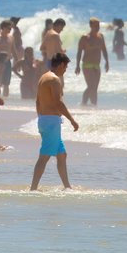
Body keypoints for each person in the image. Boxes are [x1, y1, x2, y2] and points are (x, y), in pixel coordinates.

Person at [30, 52, 79, 191]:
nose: (65, 70)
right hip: (51, 122)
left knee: (62, 155)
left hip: (45, 120)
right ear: (61, 64)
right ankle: (33, 188)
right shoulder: (55, 79)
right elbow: (58, 103)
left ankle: (67, 187)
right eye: (66, 67)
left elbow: (38, 101)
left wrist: (41, 118)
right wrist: (72, 120)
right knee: (44, 157)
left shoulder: (43, 77)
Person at [76, 17, 110, 106]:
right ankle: (86, 103)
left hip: (96, 65)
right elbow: (79, 52)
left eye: (98, 25)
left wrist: (107, 62)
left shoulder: (100, 36)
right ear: (91, 26)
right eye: (96, 25)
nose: (98, 27)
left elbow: (104, 50)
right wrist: (77, 66)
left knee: (94, 88)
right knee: (91, 86)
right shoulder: (85, 38)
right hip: (87, 65)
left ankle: (90, 105)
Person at [0, 20, 17, 98]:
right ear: (3, 27)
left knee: (6, 83)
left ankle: (6, 100)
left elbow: (13, 50)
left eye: (11, 28)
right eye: (8, 28)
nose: (10, 30)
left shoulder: (11, 37)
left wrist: (17, 62)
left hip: (7, 62)